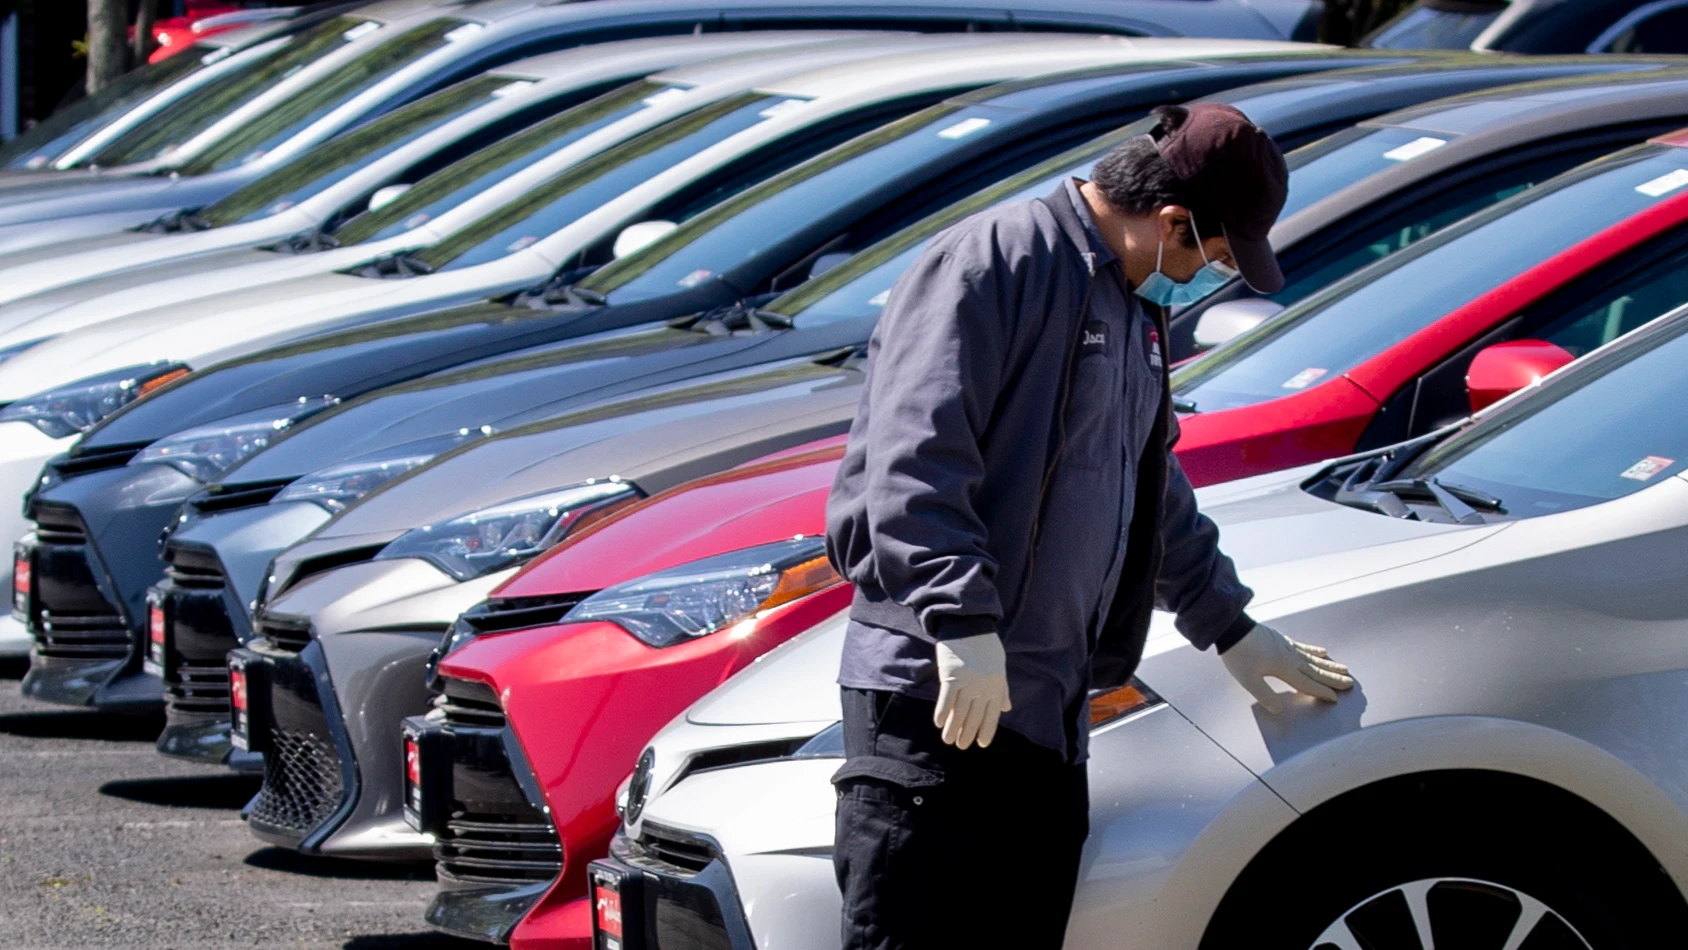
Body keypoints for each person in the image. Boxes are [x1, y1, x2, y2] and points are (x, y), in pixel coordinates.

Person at [823, 102, 1356, 950]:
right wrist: (961, 620)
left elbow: (1150, 488)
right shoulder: (999, 259)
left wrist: (1231, 627)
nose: (1204, 277)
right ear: (1171, 219)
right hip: (937, 701)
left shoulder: (1131, 304)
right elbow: (915, 456)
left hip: (1045, 715)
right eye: (1210, 257)